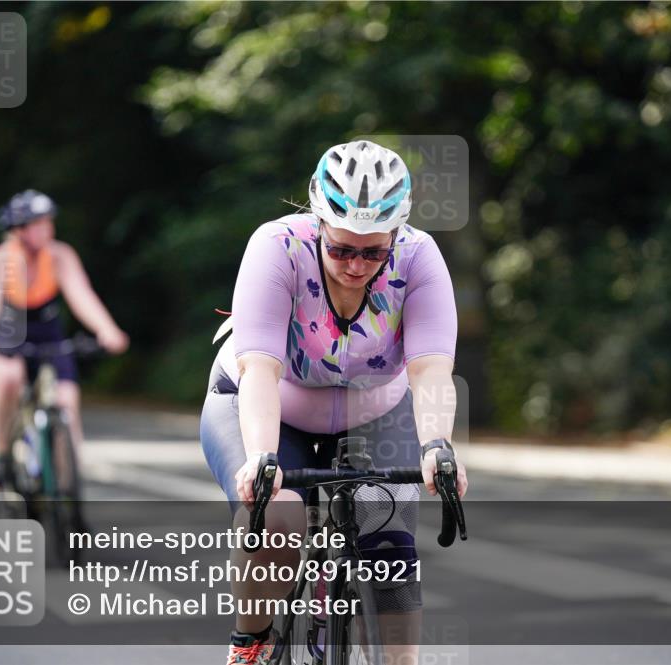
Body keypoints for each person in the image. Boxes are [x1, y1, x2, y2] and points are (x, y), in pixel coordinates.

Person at [200, 140, 469, 665]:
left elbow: (431, 369)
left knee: (389, 540)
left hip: (374, 411)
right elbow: (260, 368)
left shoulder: (419, 257)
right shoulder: (277, 247)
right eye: (343, 248)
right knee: (274, 517)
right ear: (317, 223)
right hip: (266, 404)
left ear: (397, 235)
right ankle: (250, 642)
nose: (356, 264)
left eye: (373, 252)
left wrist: (437, 444)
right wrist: (261, 456)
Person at [0, 190, 129, 489]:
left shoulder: (59, 255)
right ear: (18, 230)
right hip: (8, 336)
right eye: (37, 224)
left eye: (48, 222)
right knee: (8, 379)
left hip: (48, 335)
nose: (47, 229)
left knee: (67, 401)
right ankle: (1, 452)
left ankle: (68, 492)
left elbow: (82, 296)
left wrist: (107, 329)